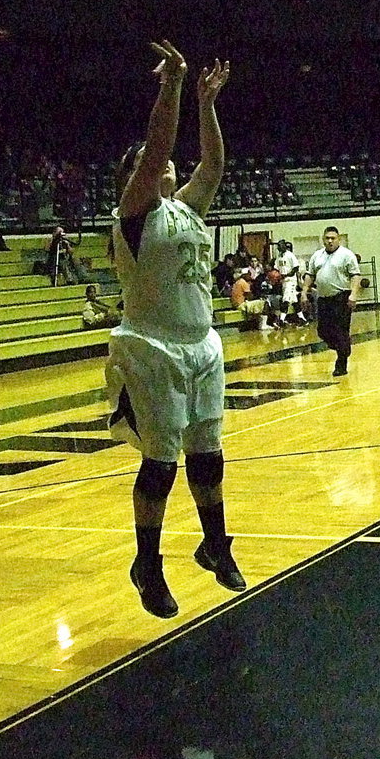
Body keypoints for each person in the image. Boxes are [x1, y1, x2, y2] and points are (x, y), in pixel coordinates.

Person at [104, 40, 244, 619]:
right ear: (136, 174)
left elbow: (211, 165)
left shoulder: (186, 207)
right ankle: (148, 563)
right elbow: (160, 144)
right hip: (152, 346)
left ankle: (214, 543)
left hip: (200, 343)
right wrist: (173, 86)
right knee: (160, 465)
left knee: (207, 455)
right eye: (153, 161)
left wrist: (207, 104)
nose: (166, 162)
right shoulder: (134, 214)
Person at [301, 226, 361, 377]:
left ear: (338, 239)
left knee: (341, 331)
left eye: (333, 238)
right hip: (323, 298)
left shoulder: (347, 255)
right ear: (323, 239)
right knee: (323, 331)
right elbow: (310, 274)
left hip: (341, 297)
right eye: (327, 238)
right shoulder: (317, 256)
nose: (330, 241)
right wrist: (304, 292)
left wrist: (353, 294)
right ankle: (344, 348)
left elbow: (355, 276)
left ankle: (341, 363)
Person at [230, 266, 281, 331]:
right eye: (248, 274)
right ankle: (263, 325)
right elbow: (250, 296)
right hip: (241, 305)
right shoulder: (243, 283)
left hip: (237, 304)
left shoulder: (238, 282)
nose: (250, 275)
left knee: (260, 303)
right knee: (264, 303)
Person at [273, 239, 305, 324]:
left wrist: (287, 274)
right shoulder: (279, 256)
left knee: (285, 300)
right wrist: (275, 275)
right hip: (284, 281)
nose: (278, 247)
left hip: (291, 281)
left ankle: (281, 320)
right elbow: (276, 268)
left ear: (284, 246)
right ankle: (302, 319)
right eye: (278, 246)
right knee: (294, 301)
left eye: (280, 245)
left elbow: (296, 267)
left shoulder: (290, 255)